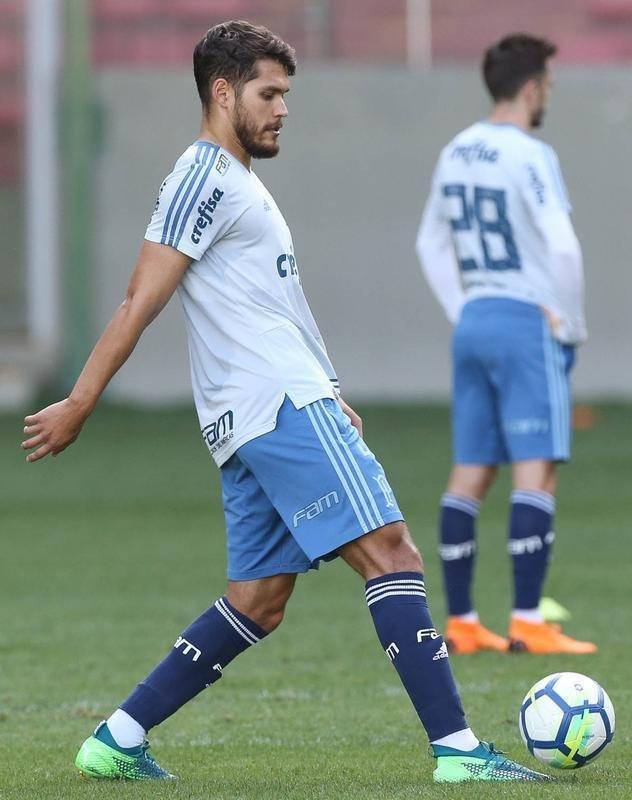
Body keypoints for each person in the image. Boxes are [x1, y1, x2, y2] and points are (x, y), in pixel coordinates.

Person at [22, 21, 549, 784]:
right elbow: (141, 296)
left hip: (256, 414)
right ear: (222, 91)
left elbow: (268, 305)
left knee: (260, 600)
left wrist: (332, 389)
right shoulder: (203, 176)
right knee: (392, 552)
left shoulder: (235, 183)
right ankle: (460, 753)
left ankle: (117, 737)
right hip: (277, 405)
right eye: (269, 93)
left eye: (286, 95)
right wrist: (80, 400)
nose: (282, 109)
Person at [416, 33, 596, 656]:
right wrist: (569, 323)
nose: (548, 93)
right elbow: (564, 246)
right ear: (529, 87)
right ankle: (527, 620)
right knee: (536, 470)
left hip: (475, 323)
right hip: (524, 323)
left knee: (469, 472)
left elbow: (429, 244)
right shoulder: (529, 153)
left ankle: (463, 622)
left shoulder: (456, 149)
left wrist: (462, 307)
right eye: (547, 82)